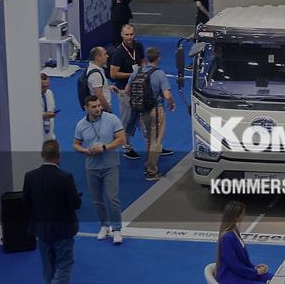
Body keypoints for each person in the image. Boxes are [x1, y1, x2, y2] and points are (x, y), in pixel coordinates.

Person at [23, 139, 80, 284]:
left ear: (42, 154)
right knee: (64, 265)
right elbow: (75, 203)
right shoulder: (65, 177)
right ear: (59, 156)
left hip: (41, 229)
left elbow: (26, 203)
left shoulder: (30, 176)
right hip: (63, 230)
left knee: (48, 266)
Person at [73, 95, 125, 244]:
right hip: (91, 167)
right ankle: (104, 225)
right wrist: (85, 150)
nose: (98, 109)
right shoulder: (81, 125)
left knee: (112, 198)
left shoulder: (112, 119)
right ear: (86, 108)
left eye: (99, 105)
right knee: (97, 200)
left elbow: (121, 139)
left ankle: (117, 229)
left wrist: (105, 147)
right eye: (94, 107)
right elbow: (76, 144)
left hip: (110, 165)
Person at [129, 47, 175, 181]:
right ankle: (151, 172)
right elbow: (167, 95)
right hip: (156, 110)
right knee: (156, 141)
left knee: (150, 138)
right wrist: (172, 103)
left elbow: (127, 90)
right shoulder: (159, 73)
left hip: (142, 111)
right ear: (158, 58)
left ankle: (148, 163)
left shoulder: (137, 71)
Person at [107, 23, 144, 160]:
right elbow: (113, 74)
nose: (129, 37)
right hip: (124, 90)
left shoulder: (138, 46)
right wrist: (133, 75)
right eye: (126, 35)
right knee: (127, 119)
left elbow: (143, 61)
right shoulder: (118, 53)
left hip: (139, 88)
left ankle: (154, 145)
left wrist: (143, 71)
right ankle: (126, 147)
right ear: (122, 35)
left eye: (131, 34)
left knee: (145, 118)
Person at [216, 201, 270, 283]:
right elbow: (234, 264)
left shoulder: (235, 232)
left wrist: (255, 267)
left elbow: (242, 262)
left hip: (242, 273)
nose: (244, 215)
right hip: (231, 278)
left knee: (274, 278)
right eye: (243, 213)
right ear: (236, 216)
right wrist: (255, 272)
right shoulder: (227, 238)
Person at [41, 73, 57, 142]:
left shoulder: (49, 93)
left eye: (47, 86)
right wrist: (44, 116)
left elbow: (52, 109)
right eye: (43, 87)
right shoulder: (31, 98)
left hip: (50, 135)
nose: (46, 89)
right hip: (37, 137)